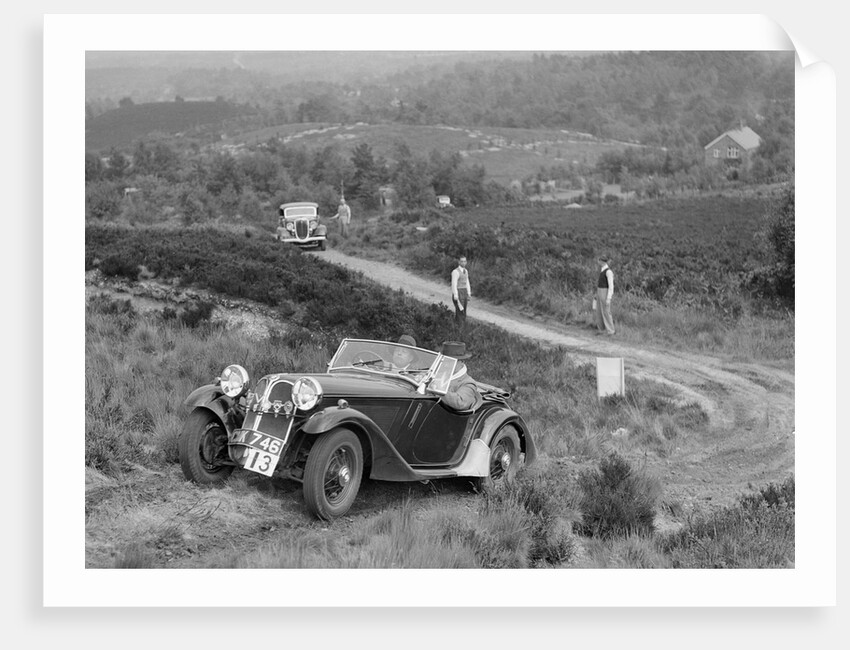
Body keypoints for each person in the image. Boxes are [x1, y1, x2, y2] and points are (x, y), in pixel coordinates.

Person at [437, 341, 479, 411]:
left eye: (451, 361)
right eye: (445, 360)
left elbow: (460, 402)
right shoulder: (437, 374)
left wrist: (437, 391)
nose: (446, 364)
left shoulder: (468, 383)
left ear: (462, 362)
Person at [594, 256, 616, 335]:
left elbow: (611, 286)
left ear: (601, 261)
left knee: (606, 311)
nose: (598, 262)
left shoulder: (608, 272)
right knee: (599, 311)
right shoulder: (602, 270)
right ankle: (601, 329)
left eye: (599, 260)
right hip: (600, 291)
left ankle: (611, 330)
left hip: (605, 292)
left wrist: (609, 298)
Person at [451, 256, 472, 329]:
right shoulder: (455, 272)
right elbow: (454, 284)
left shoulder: (465, 271)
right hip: (458, 292)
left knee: (464, 311)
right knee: (460, 310)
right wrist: (455, 294)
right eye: (462, 261)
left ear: (466, 262)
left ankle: (460, 327)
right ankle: (459, 328)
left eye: (464, 261)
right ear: (459, 262)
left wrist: (469, 293)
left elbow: (467, 282)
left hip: (464, 291)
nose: (463, 263)